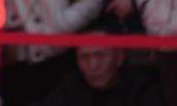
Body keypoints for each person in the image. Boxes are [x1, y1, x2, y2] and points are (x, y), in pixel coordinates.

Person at [32, 26, 163, 106]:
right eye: (84, 57)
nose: (93, 66)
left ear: (120, 57)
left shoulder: (143, 88)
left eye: (100, 55)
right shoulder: (73, 86)